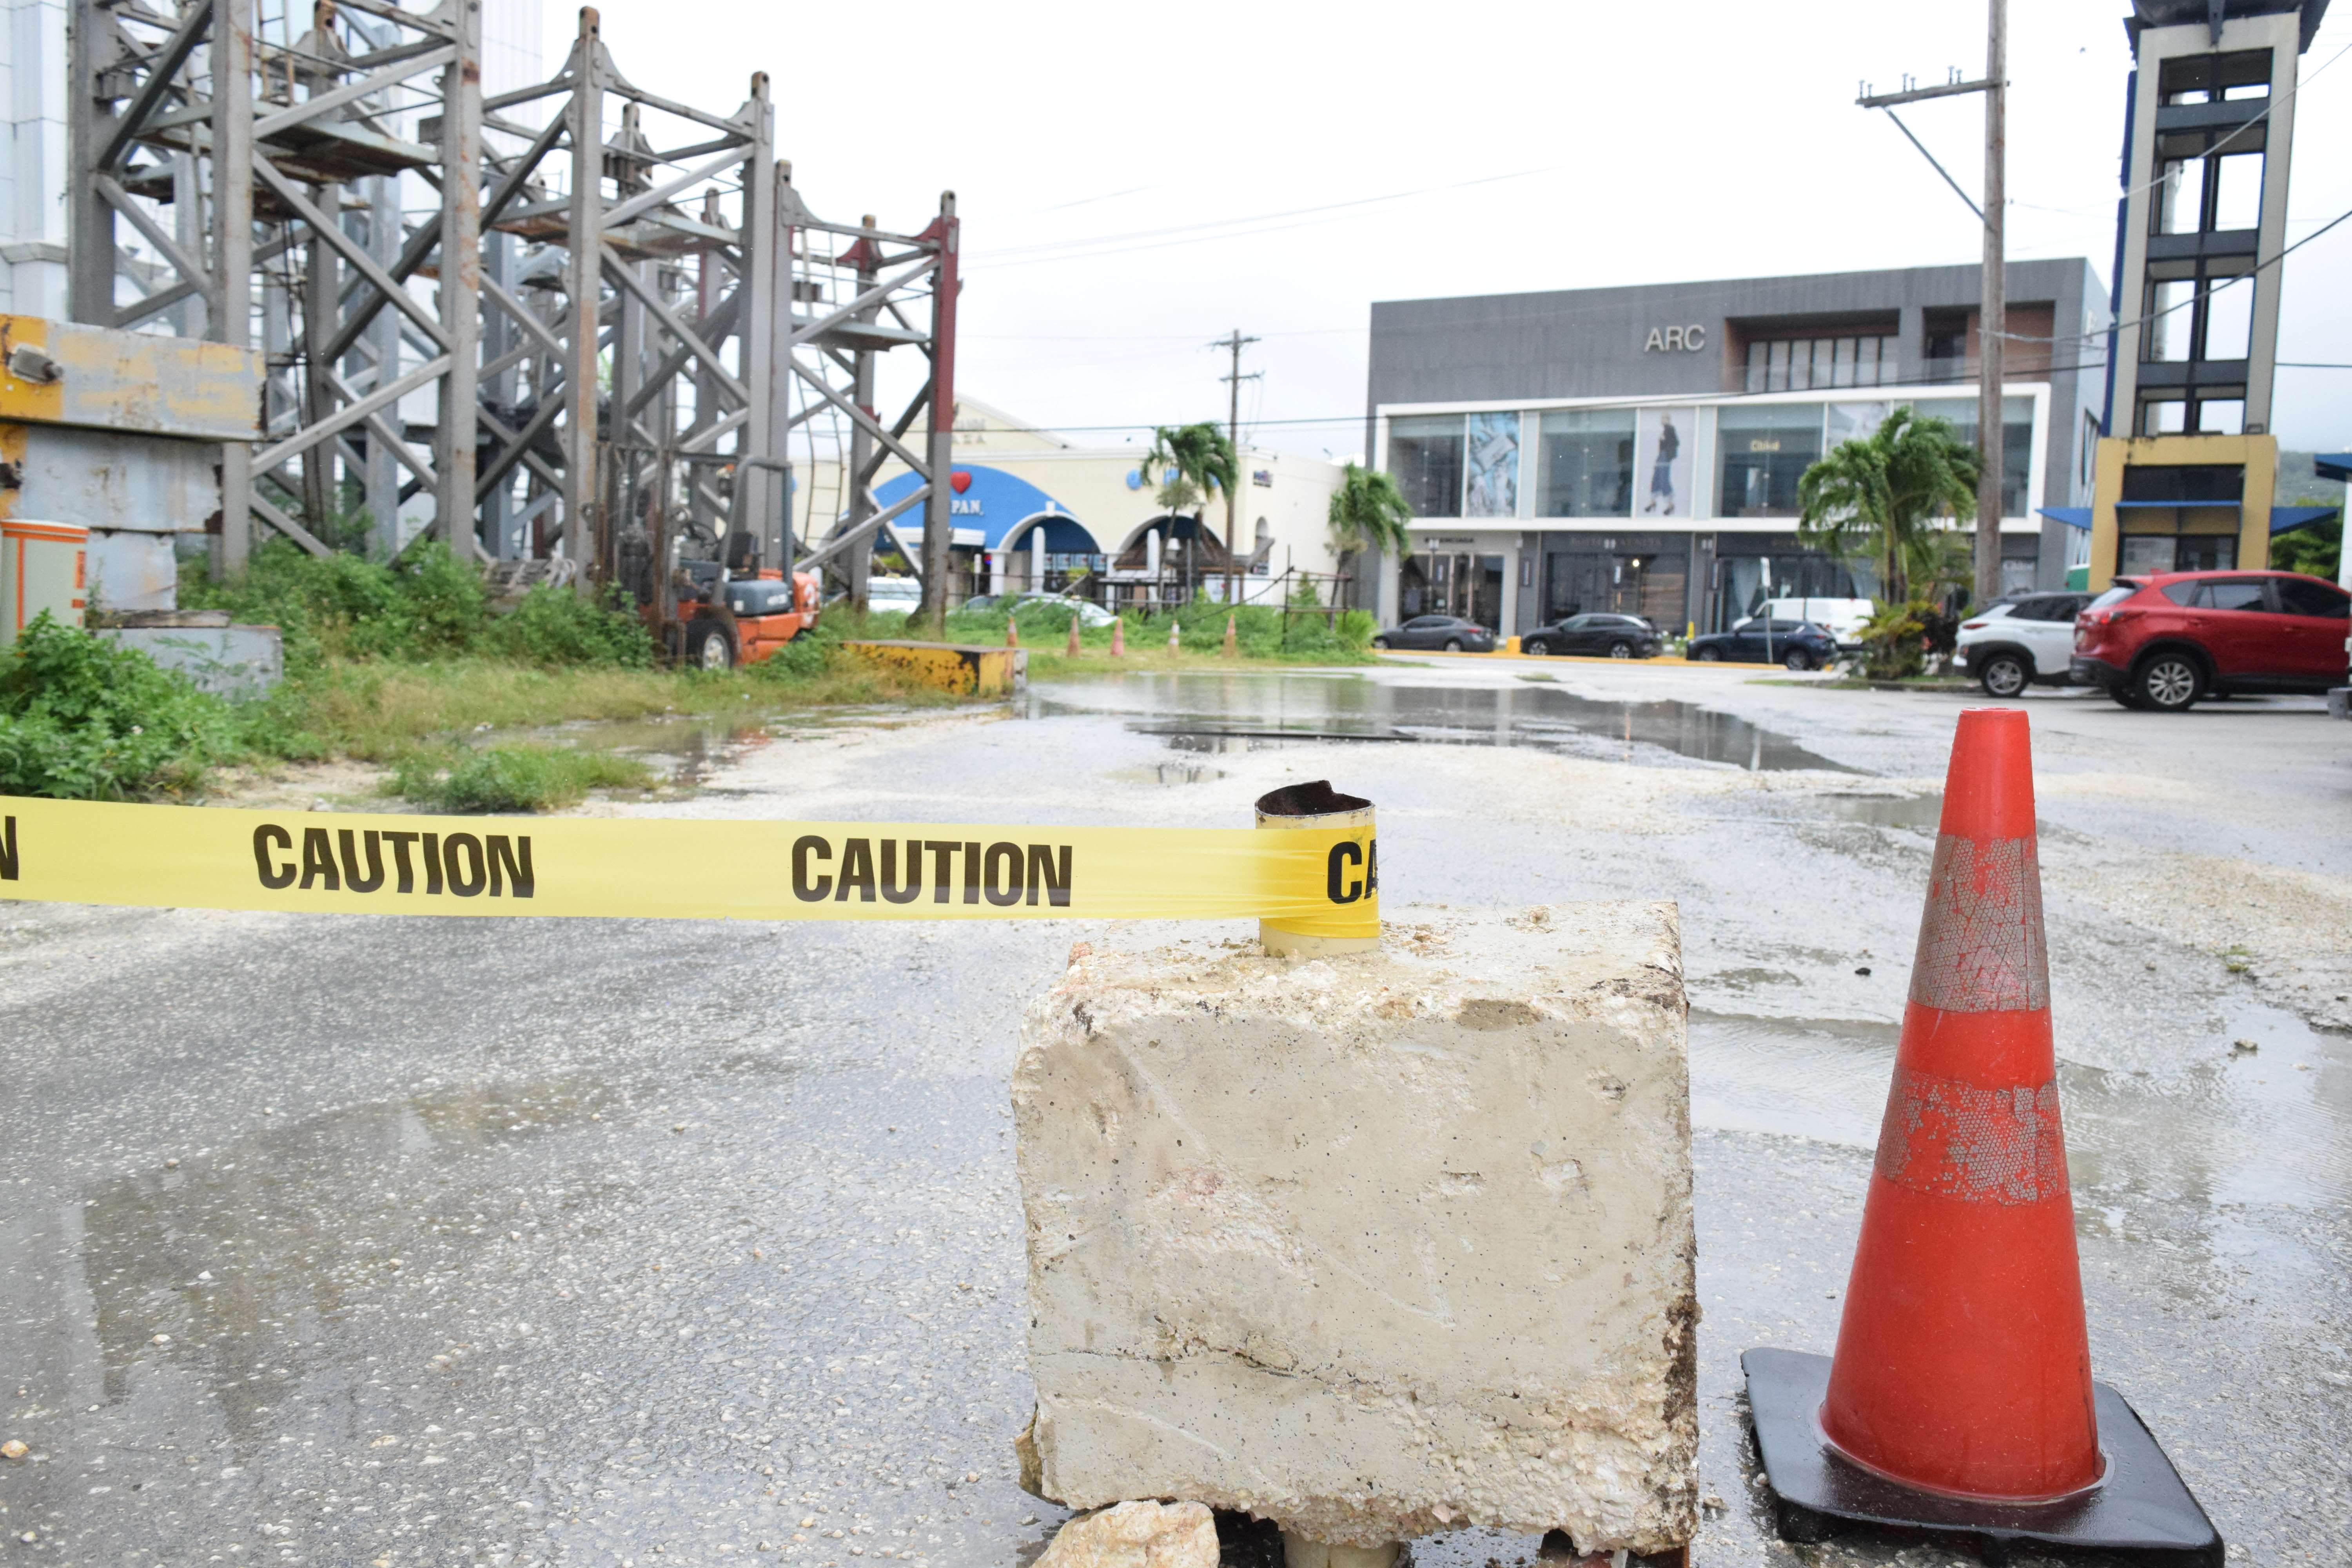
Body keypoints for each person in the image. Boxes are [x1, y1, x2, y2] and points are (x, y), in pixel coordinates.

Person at [1644, 414, 1679, 516]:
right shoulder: (1666, 430)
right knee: (1657, 478)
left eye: (1663, 419)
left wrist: (1665, 440)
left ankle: (1670, 505)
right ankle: (1653, 502)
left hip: (1664, 456)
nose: (1662, 421)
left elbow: (1676, 442)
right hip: (1662, 456)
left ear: (1667, 420)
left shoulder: (1669, 429)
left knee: (1663, 479)